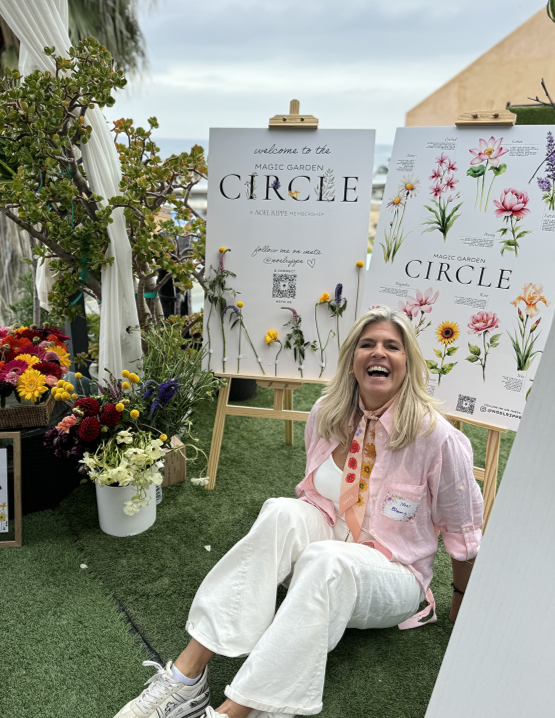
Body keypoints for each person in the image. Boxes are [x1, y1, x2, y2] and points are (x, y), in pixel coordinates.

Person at [113, 306, 483, 718]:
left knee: (327, 561)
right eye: (367, 344)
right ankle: (186, 678)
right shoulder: (327, 413)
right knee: (281, 512)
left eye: (391, 346)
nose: (378, 353)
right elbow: (315, 499)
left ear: (409, 362)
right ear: (352, 359)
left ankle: (236, 712)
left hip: (393, 577)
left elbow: (464, 532)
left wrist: (460, 599)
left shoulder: (439, 438)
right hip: (324, 550)